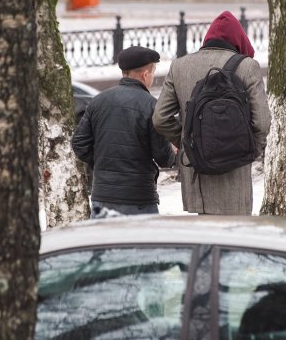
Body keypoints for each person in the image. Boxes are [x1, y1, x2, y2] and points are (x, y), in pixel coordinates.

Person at [152, 11, 271, 215]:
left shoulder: (179, 66)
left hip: (197, 175)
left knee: (205, 238)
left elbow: (160, 118)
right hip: (234, 172)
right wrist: (249, 150)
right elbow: (262, 122)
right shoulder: (247, 67)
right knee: (233, 239)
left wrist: (189, 143)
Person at [72, 46, 176, 218]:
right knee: (139, 244)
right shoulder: (151, 105)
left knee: (104, 243)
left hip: (102, 195)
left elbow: (79, 143)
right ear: (145, 75)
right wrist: (172, 152)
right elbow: (163, 158)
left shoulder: (98, 101)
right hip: (138, 198)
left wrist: (102, 163)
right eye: (153, 73)